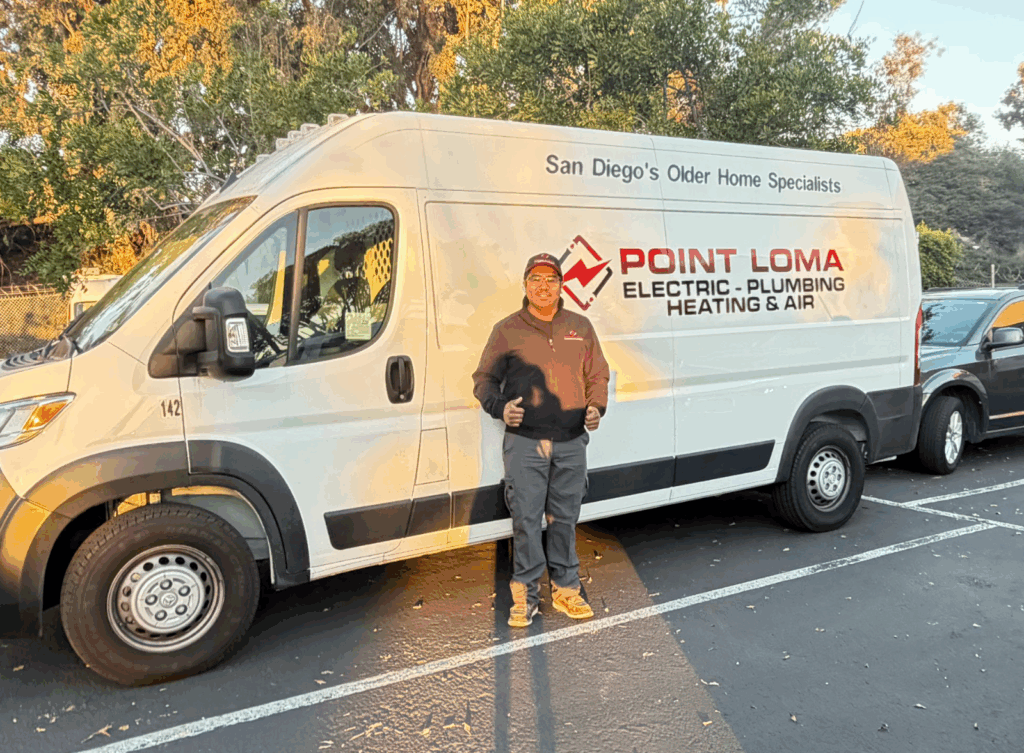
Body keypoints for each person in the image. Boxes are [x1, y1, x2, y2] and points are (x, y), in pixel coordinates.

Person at [473, 252, 610, 628]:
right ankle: (526, 596)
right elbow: (483, 380)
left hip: (570, 442)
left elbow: (598, 374)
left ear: (562, 285)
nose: (543, 286)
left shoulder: (580, 326)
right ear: (525, 284)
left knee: (565, 518)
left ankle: (566, 590)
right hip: (525, 444)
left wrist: (597, 406)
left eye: (551, 279)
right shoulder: (507, 330)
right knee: (526, 520)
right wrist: (500, 408)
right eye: (535, 279)